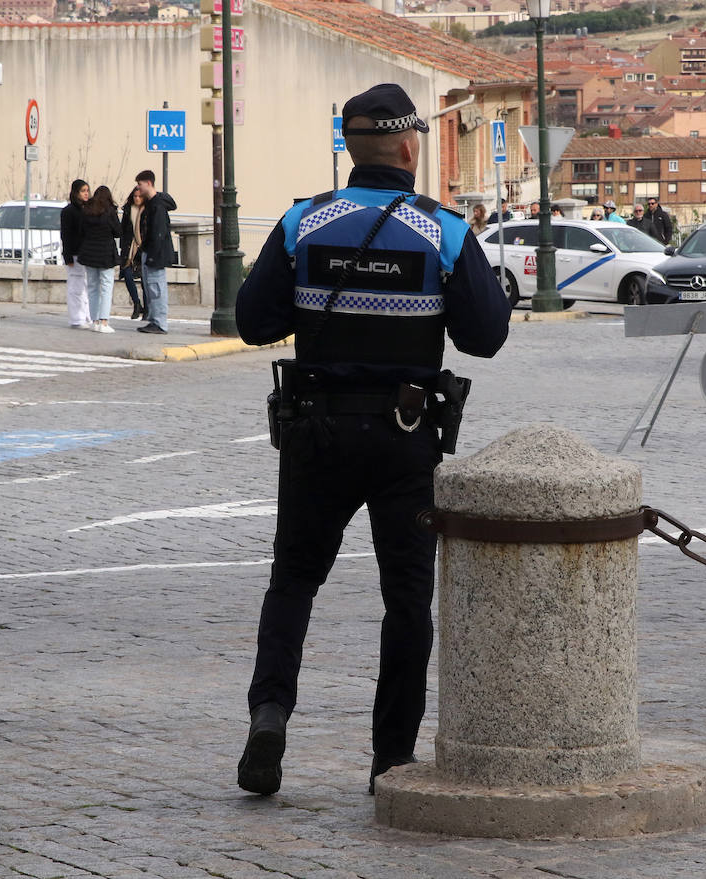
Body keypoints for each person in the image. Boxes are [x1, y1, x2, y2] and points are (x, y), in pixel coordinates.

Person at [233, 82, 511, 798]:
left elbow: (253, 320)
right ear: (411, 146)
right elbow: (485, 336)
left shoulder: (304, 222)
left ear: (350, 150)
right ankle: (390, 759)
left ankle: (269, 714)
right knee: (407, 599)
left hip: (316, 432)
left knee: (293, 580)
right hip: (404, 434)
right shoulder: (442, 230)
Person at [134, 169, 176, 334]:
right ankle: (154, 320)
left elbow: (158, 232)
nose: (138, 188)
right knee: (151, 288)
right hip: (150, 252)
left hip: (155, 254)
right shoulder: (152, 204)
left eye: (140, 184)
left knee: (156, 288)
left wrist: (152, 254)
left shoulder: (157, 205)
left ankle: (159, 323)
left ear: (148, 183)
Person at [78, 185, 121, 333]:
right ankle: (104, 321)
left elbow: (81, 231)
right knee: (106, 287)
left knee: (92, 287)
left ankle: (95, 321)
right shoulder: (110, 212)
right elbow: (118, 232)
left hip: (89, 253)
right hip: (105, 254)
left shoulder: (86, 211)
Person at [61, 178, 91, 328]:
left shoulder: (89, 209)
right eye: (83, 191)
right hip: (74, 254)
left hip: (86, 254)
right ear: (76, 192)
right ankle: (77, 318)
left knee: (86, 287)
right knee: (75, 287)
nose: (86, 194)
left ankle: (87, 316)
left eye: (87, 191)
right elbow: (65, 235)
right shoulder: (69, 211)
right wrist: (67, 256)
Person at [119, 185, 147, 321]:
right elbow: (123, 230)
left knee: (145, 280)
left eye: (139, 196)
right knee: (128, 275)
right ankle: (136, 304)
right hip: (129, 249)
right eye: (135, 196)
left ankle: (147, 308)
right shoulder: (128, 210)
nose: (137, 198)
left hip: (142, 248)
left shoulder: (147, 210)